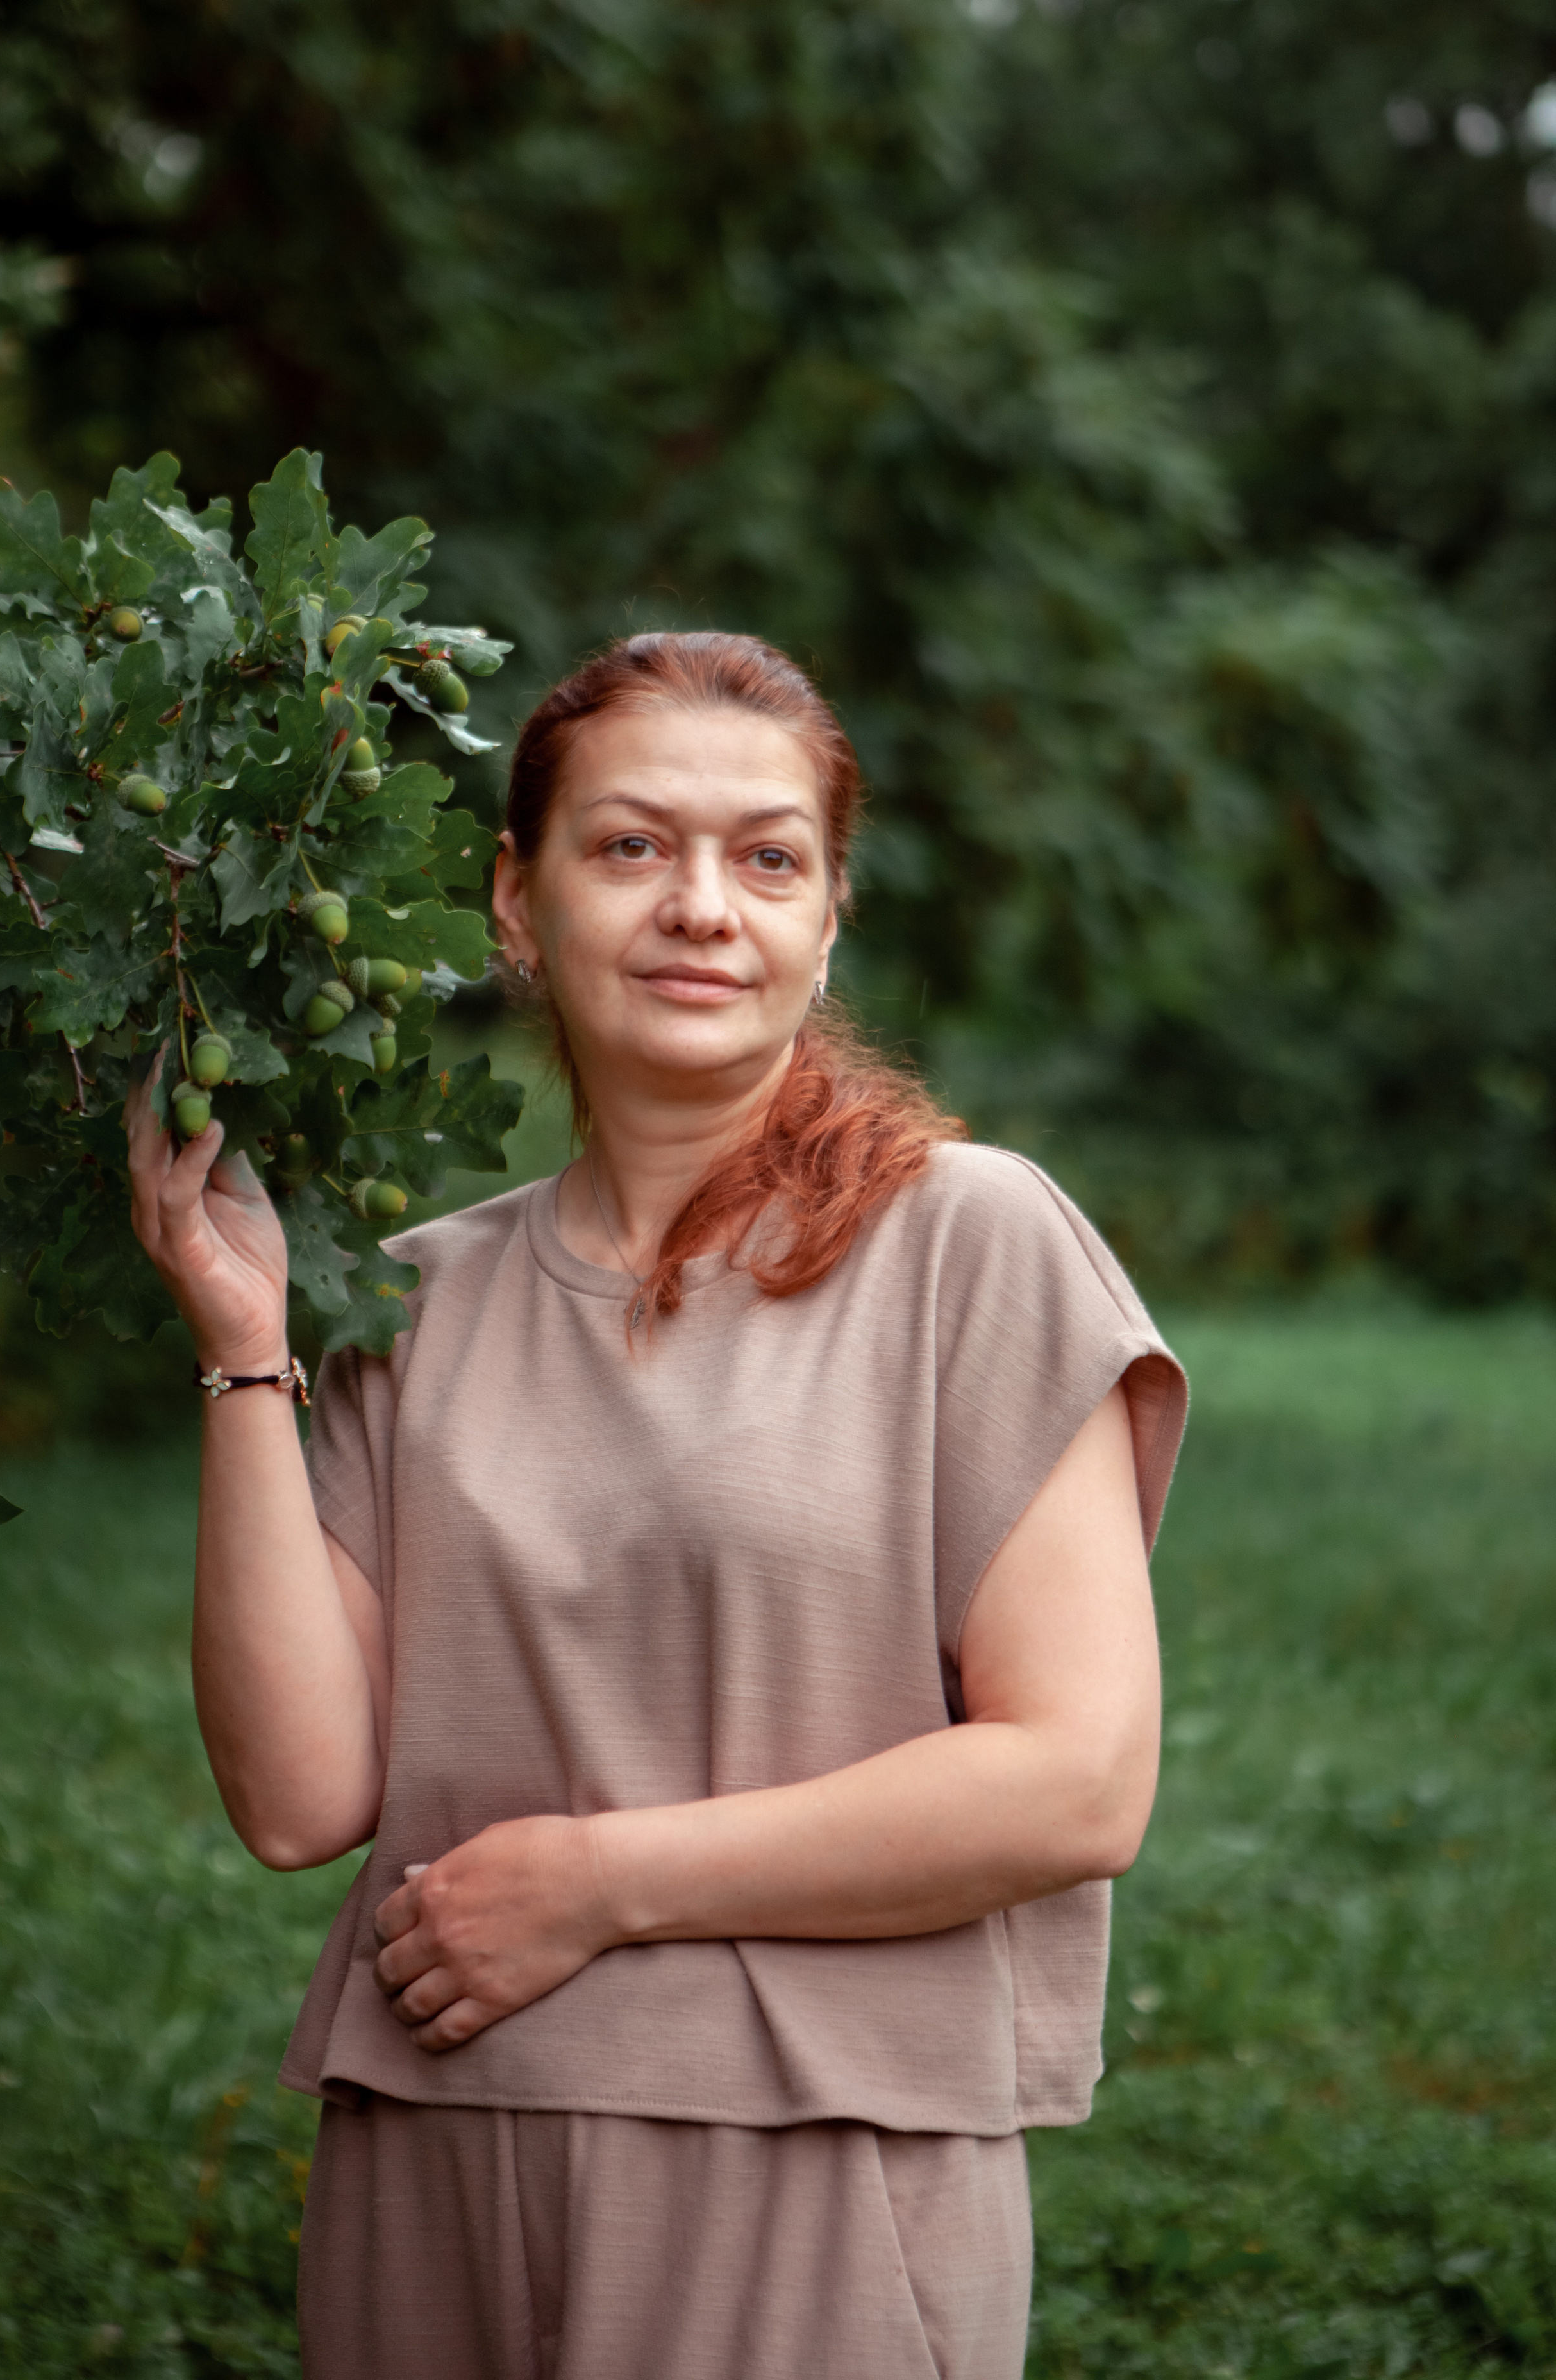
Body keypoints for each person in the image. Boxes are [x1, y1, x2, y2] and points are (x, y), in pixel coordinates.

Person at [127, 630, 1187, 2380]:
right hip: (435, 2152)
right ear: (517, 904)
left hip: (813, 2167)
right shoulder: (409, 1299)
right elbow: (302, 1795)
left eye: (768, 858)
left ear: (826, 919)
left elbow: (1078, 1781)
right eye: (632, 846)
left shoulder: (970, 1245)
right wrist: (247, 1347)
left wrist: (599, 1885)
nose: (705, 904)